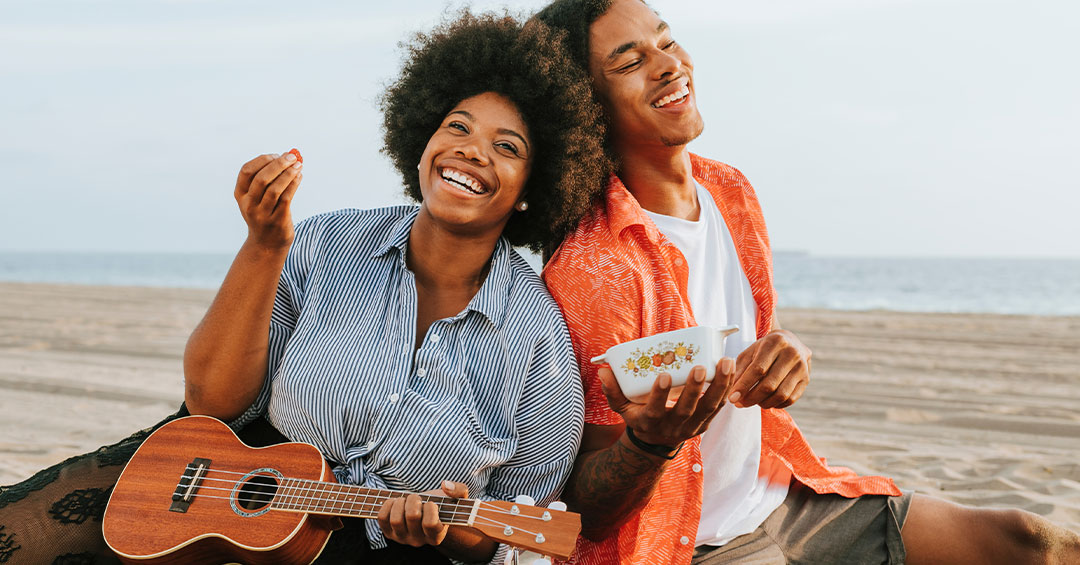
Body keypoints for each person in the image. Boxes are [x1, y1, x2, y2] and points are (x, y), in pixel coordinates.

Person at [0, 10, 610, 565]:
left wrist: (446, 528)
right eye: (457, 126)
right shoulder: (324, 243)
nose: (471, 151)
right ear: (422, 138)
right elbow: (214, 402)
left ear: (535, 186)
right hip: (224, 484)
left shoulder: (539, 342)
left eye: (507, 148)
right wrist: (265, 245)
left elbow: (511, 535)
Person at [535, 0, 1080, 564]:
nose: (668, 65)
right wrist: (649, 443)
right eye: (629, 63)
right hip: (687, 544)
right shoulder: (593, 267)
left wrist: (787, 353)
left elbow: (756, 346)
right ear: (585, 105)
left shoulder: (729, 190)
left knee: (1031, 543)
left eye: (667, 42)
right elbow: (586, 514)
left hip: (787, 499)